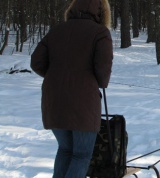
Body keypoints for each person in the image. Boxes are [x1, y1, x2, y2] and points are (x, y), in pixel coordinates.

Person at [30, 0, 113, 177]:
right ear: (102, 12)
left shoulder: (57, 30)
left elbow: (36, 62)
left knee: (65, 150)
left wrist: (56, 77)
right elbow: (103, 75)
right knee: (81, 155)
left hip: (54, 102)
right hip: (83, 104)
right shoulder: (100, 33)